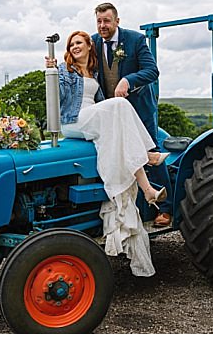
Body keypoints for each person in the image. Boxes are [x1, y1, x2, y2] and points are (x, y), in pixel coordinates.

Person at [49, 30, 169, 277]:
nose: (75, 47)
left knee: (120, 134)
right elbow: (59, 98)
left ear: (88, 46)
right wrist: (50, 73)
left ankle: (148, 191)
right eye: (72, 44)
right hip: (74, 121)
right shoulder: (64, 70)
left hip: (93, 119)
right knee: (120, 104)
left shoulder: (93, 72)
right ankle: (148, 155)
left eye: (79, 43)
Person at [91, 2, 174, 227]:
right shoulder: (93, 42)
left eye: (106, 21)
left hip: (139, 108)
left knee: (149, 153)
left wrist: (129, 80)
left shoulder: (135, 40)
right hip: (110, 112)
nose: (102, 25)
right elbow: (78, 62)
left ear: (117, 21)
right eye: (99, 21)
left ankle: (164, 209)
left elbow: (152, 71)